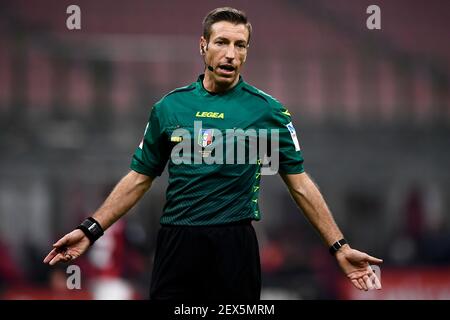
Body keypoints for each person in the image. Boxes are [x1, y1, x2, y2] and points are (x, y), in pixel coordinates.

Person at [44, 7, 382, 300]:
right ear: (203, 46)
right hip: (177, 242)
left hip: (235, 246)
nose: (231, 54)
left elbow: (300, 184)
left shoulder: (268, 112)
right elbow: (139, 179)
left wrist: (339, 247)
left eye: (240, 45)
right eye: (222, 42)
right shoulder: (169, 108)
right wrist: (90, 230)